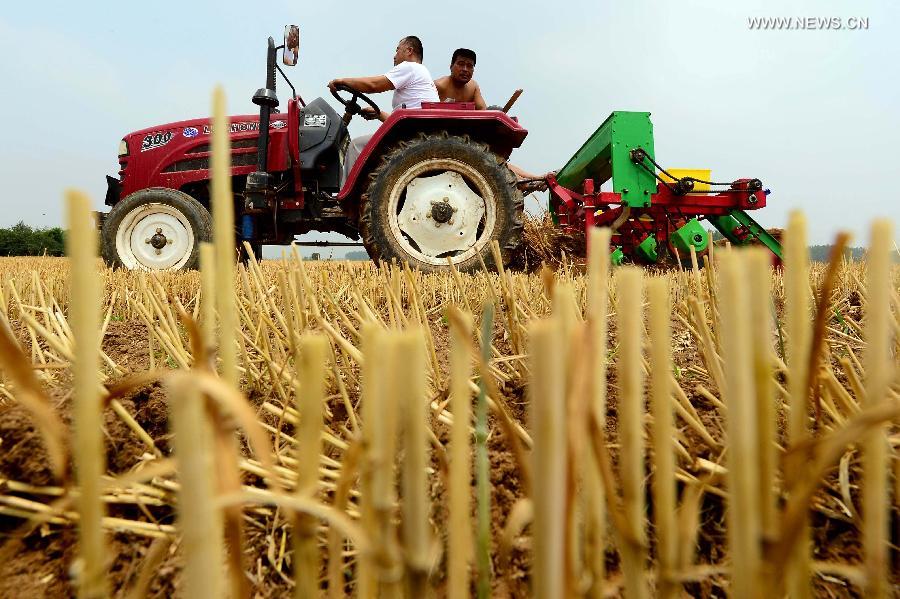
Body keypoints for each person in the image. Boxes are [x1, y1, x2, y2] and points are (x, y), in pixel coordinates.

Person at [328, 36, 439, 181]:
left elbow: (373, 85)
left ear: (409, 50)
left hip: (411, 137)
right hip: (414, 133)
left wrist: (342, 81)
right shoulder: (421, 73)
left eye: (397, 50)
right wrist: (378, 114)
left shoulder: (410, 67)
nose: (394, 55)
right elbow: (401, 122)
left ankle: (346, 195)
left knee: (355, 146)